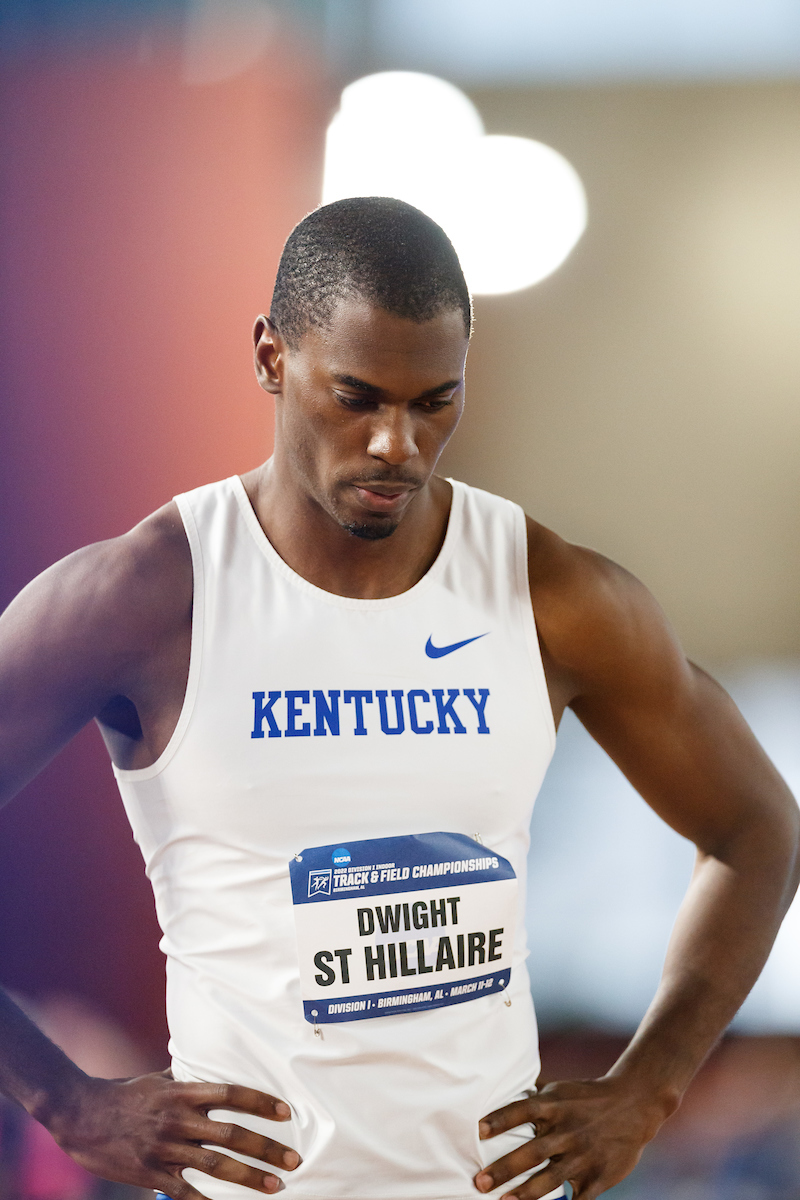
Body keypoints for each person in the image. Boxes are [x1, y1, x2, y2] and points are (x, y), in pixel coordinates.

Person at [0, 197, 797, 1200]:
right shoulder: (149, 595)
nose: (396, 445)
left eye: (432, 402)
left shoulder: (546, 592)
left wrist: (649, 1089)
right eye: (357, 395)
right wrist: (64, 1102)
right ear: (269, 358)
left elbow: (755, 829)